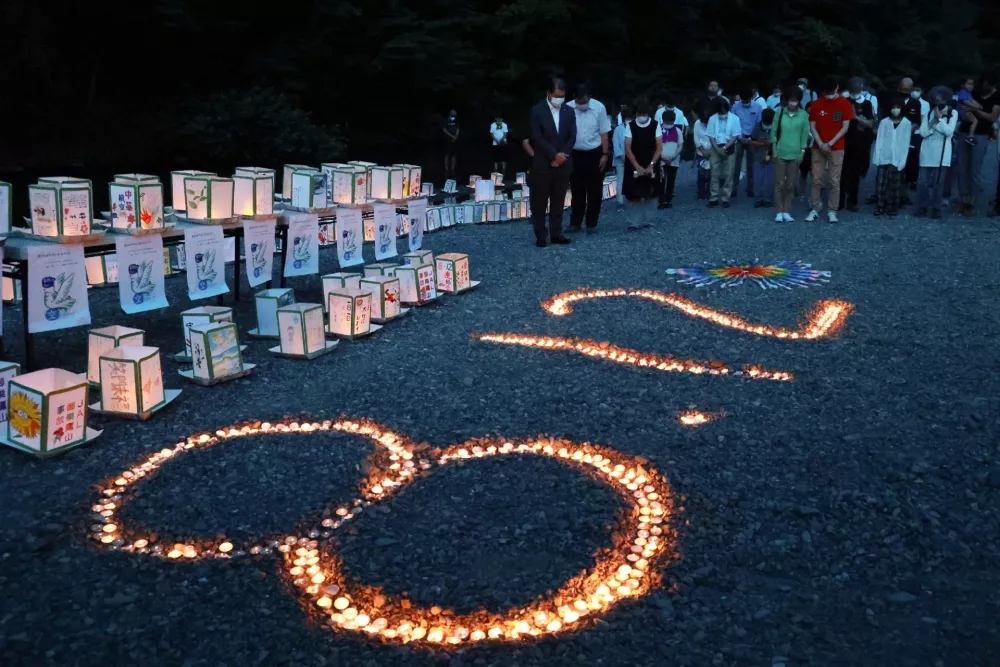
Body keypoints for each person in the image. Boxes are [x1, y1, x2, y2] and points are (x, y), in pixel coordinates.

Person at [528, 78, 576, 247]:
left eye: (562, 96)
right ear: (549, 94)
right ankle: (541, 234)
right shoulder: (537, 111)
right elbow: (537, 137)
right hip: (543, 163)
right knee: (539, 201)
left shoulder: (569, 111)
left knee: (559, 199)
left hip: (563, 164)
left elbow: (572, 136)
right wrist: (554, 155)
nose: (559, 99)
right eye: (557, 96)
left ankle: (557, 232)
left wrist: (563, 155)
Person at [806, 76, 853, 223]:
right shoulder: (817, 103)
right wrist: (820, 142)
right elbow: (812, 125)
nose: (829, 96)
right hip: (818, 147)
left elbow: (845, 126)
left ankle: (832, 210)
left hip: (837, 147)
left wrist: (830, 142)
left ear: (837, 88)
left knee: (834, 180)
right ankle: (815, 207)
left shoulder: (844, 103)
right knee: (816, 179)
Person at [565, 85, 611, 233]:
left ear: (589, 97)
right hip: (575, 153)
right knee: (577, 189)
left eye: (584, 101)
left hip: (594, 152)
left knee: (595, 190)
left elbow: (604, 132)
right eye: (579, 101)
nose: (581, 104)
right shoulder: (567, 108)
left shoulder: (599, 108)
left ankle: (592, 223)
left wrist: (605, 154)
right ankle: (575, 222)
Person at [955, 75, 1000, 216]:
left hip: (981, 135)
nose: (984, 87)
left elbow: (992, 117)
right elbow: (962, 105)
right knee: (962, 167)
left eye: (988, 85)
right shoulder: (973, 93)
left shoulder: (997, 98)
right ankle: (962, 199)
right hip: (964, 131)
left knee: (975, 169)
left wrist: (974, 110)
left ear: (992, 86)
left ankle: (971, 202)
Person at [770, 88, 810, 222]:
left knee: (791, 184)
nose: (793, 103)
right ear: (787, 100)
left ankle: (787, 210)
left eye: (795, 101)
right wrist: (774, 148)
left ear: (799, 101)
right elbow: (773, 132)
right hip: (781, 151)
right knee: (779, 183)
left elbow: (805, 135)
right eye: (791, 100)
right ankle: (778, 211)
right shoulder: (780, 113)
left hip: (796, 153)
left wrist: (803, 151)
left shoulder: (804, 115)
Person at [916, 93, 958, 219]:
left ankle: (936, 208)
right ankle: (922, 207)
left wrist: (939, 120)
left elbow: (949, 132)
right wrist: (934, 120)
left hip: (942, 153)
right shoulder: (929, 113)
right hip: (926, 152)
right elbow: (923, 133)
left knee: (938, 183)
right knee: (923, 182)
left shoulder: (952, 113)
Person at [623, 100, 663, 229]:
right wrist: (637, 166)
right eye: (640, 113)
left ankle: (649, 220)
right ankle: (634, 221)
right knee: (632, 193)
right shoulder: (630, 126)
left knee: (652, 192)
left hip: (651, 161)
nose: (642, 116)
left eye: (644, 113)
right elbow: (628, 148)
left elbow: (659, 147)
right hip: (634, 162)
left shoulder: (656, 125)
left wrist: (652, 164)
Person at [839, 77, 875, 212]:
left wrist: (856, 117)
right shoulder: (844, 101)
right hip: (843, 141)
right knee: (841, 173)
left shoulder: (866, 104)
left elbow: (870, 123)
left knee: (854, 173)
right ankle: (839, 200)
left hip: (858, 143)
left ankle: (852, 201)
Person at [871, 98, 911, 217]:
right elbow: (880, 140)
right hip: (884, 156)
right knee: (881, 183)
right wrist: (877, 157)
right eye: (893, 107)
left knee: (895, 184)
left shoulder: (906, 123)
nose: (895, 110)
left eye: (898, 107)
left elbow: (905, 143)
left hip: (897, 157)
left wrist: (902, 161)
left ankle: (893, 206)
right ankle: (880, 205)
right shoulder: (884, 122)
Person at [706, 99, 742, 208]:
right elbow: (710, 136)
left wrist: (726, 147)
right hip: (716, 146)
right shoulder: (712, 119)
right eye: (721, 112)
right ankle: (714, 197)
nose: (723, 114)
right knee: (714, 173)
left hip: (729, 146)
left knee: (729, 173)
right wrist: (717, 149)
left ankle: (726, 197)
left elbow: (735, 135)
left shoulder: (735, 119)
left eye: (724, 111)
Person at [731, 89, 763, 198]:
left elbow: (758, 124)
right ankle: (733, 188)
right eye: (743, 100)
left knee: (752, 165)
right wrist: (740, 137)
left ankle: (751, 188)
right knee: (736, 165)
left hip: (751, 138)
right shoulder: (735, 107)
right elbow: (733, 123)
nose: (745, 102)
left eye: (747, 100)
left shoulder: (757, 107)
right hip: (738, 138)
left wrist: (751, 138)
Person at [748, 108, 775, 208]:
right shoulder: (757, 127)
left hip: (772, 156)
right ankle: (758, 198)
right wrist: (762, 144)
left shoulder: (776, 127)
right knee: (758, 178)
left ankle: (768, 198)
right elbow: (751, 141)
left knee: (770, 178)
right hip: (758, 155)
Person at [658, 109, 683, 209]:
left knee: (671, 181)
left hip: (674, 160)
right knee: (661, 181)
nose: (669, 124)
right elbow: (654, 146)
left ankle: (668, 200)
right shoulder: (658, 129)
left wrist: (673, 156)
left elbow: (680, 145)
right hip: (661, 160)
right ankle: (661, 200)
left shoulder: (677, 130)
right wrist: (662, 157)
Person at [611, 106, 631, 210]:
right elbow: (615, 144)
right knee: (620, 179)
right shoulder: (618, 130)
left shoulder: (635, 128)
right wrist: (622, 156)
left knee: (633, 178)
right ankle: (620, 200)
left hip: (633, 158)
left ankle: (632, 198)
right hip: (621, 159)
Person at [693, 110, 712, 200]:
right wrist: (703, 151)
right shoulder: (697, 123)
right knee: (701, 173)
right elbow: (696, 139)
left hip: (712, 151)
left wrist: (711, 151)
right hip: (701, 151)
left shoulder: (713, 123)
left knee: (711, 173)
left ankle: (709, 192)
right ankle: (701, 192)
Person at [442, 109, 460, 179]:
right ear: (450, 113)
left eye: (455, 114)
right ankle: (446, 168)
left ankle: (452, 169)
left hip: (454, 140)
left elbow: (458, 129)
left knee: (454, 154)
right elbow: (444, 130)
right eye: (453, 114)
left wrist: (456, 136)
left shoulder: (456, 120)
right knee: (447, 154)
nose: (454, 115)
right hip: (447, 139)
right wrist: (452, 136)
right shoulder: (446, 120)